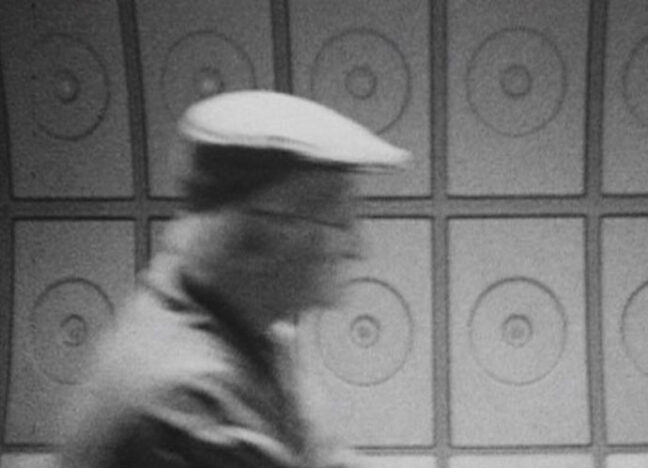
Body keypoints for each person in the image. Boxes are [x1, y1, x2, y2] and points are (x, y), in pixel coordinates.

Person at [59, 90, 411, 468]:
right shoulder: (192, 406)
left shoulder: (233, 321)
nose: (359, 248)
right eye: (339, 221)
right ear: (258, 238)